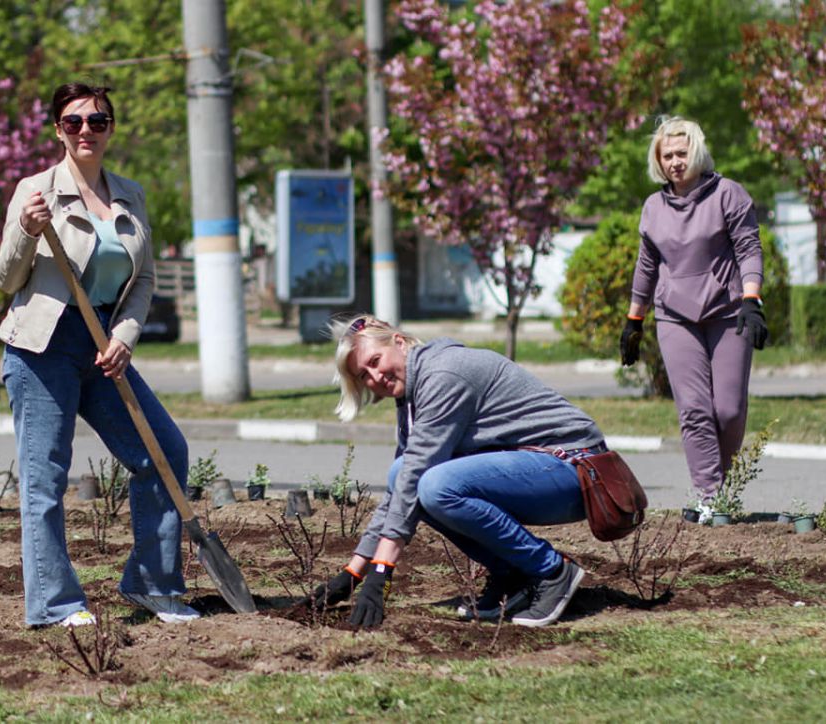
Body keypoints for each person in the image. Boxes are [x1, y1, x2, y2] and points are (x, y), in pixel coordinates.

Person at [0, 82, 199, 627]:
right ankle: (55, 605)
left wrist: (125, 337)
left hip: (105, 344)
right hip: (42, 347)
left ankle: (152, 585)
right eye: (73, 121)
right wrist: (24, 231)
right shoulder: (36, 190)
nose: (86, 130)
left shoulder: (129, 193)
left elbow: (144, 276)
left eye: (97, 120)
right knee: (46, 478)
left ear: (110, 126)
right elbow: (6, 278)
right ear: (58, 129)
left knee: (164, 453)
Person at [307, 315, 608, 629]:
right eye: (363, 374)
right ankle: (513, 575)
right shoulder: (412, 393)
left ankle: (552, 571)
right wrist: (354, 572)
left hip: (577, 470)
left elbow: (418, 479)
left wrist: (382, 572)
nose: (375, 376)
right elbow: (403, 485)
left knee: (437, 485)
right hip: (540, 471)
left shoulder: (443, 375)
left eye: (375, 360)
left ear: (398, 341)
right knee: (404, 475)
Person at [620, 116, 766, 524]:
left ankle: (721, 487)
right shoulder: (653, 207)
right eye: (667, 156)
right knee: (695, 410)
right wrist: (634, 319)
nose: (675, 162)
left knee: (729, 410)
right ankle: (711, 498)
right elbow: (647, 265)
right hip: (674, 317)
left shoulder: (728, 195)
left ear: (697, 152)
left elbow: (749, 249)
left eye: (682, 153)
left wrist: (752, 297)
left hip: (728, 312)